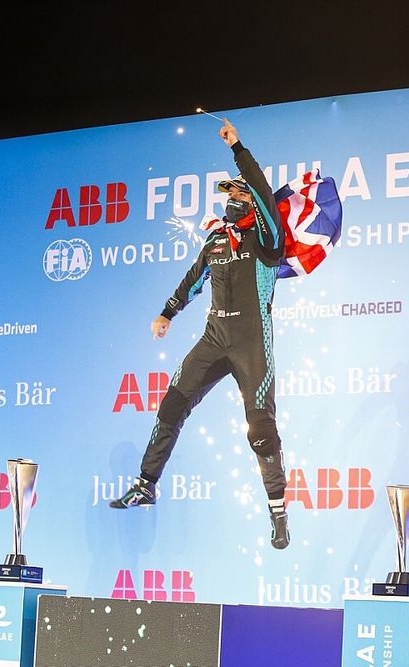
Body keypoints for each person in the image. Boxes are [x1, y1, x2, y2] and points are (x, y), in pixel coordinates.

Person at [110, 119, 290, 550]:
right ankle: (145, 484)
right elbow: (194, 279)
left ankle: (279, 512)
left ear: (251, 201)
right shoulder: (215, 240)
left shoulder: (267, 240)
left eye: (237, 192)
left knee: (260, 430)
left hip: (251, 342)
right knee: (172, 404)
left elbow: (264, 193)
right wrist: (167, 314)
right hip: (214, 337)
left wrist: (239, 148)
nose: (230, 199)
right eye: (227, 193)